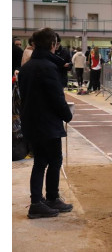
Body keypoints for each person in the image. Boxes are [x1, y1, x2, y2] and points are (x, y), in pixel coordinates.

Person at [18, 27, 73, 219]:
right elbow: (56, 97)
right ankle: (48, 199)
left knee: (40, 161)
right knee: (54, 160)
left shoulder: (26, 68)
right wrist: (67, 114)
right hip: (47, 123)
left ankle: (39, 201)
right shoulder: (49, 67)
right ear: (53, 45)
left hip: (32, 121)